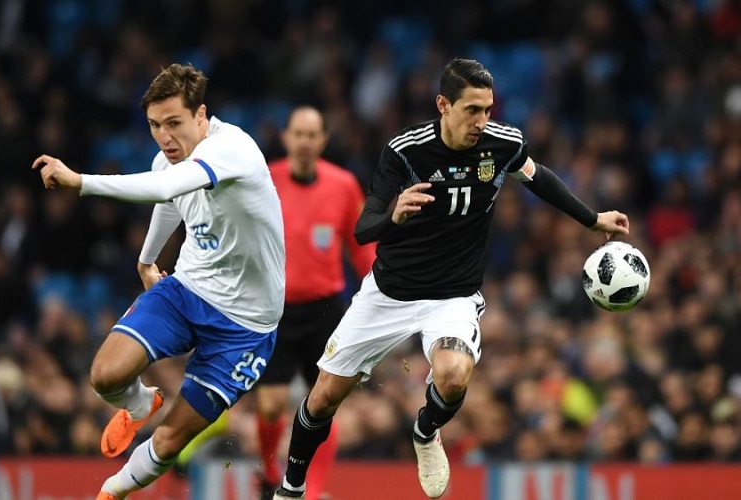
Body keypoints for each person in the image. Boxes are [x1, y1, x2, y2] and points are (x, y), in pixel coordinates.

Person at [273, 58, 630, 500]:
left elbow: (538, 179)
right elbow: (363, 229)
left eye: (488, 109)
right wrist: (394, 214)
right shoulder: (405, 151)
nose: (482, 121)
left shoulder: (503, 144)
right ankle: (291, 487)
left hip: (453, 297)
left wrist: (592, 219)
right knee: (324, 396)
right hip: (390, 292)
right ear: (443, 105)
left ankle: (425, 432)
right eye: (471, 110)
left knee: (455, 373)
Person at [31, 63, 285, 500]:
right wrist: (147, 261)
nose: (165, 137)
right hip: (188, 289)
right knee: (105, 376)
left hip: (245, 325)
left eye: (174, 123)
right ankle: (139, 403)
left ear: (200, 115)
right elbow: (170, 203)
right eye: (154, 125)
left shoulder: (233, 149)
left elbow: (165, 189)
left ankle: (111, 491)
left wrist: (81, 181)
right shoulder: (166, 160)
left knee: (169, 441)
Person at [257, 106, 376, 499]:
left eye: (312, 135)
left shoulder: (343, 185)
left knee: (324, 401)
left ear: (323, 140)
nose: (305, 142)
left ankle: (314, 491)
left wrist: (379, 288)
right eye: (298, 133)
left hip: (325, 309)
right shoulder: (265, 180)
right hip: (275, 310)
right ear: (286, 137)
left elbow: (361, 245)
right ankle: (270, 473)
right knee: (271, 404)